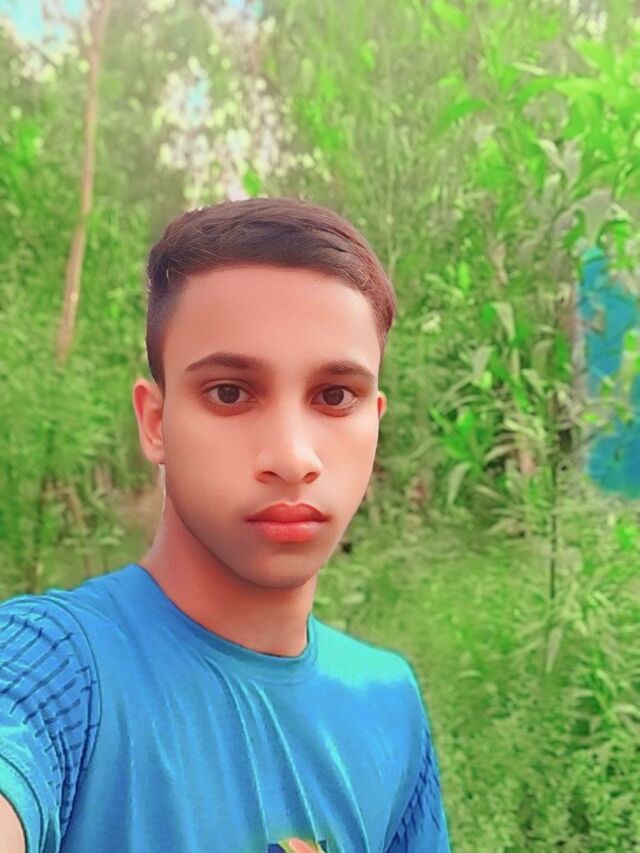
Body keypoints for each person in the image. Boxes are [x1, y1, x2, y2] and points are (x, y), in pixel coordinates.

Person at [0, 197, 451, 852]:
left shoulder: (390, 705)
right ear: (156, 422)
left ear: (375, 422)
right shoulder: (58, 669)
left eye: (334, 396)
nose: (292, 457)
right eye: (231, 393)